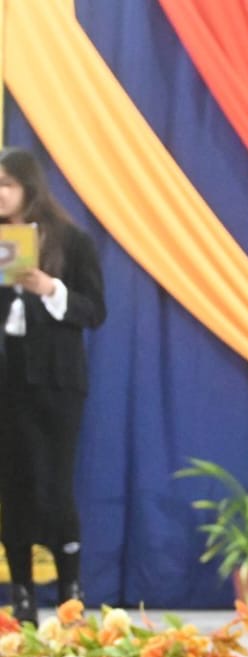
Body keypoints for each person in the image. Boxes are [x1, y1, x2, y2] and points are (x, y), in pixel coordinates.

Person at [0, 147, 105, 626]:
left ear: (29, 187)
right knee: (13, 484)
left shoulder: (71, 240)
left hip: (57, 383)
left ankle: (70, 594)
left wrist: (50, 289)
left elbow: (94, 310)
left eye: (7, 184)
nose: (1, 194)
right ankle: (21, 594)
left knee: (55, 485)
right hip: (8, 381)